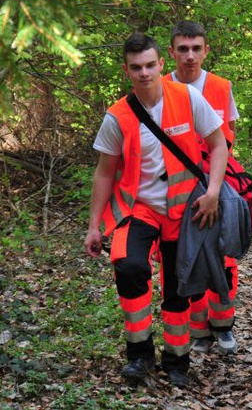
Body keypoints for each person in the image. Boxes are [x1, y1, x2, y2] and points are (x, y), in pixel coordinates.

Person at [84, 32, 228, 387]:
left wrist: (212, 192)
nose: (144, 73)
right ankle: (139, 353)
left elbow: (219, 143)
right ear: (127, 70)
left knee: (179, 287)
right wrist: (93, 227)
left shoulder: (187, 97)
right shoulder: (118, 116)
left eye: (150, 65)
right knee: (129, 265)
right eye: (136, 68)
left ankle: (177, 359)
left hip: (186, 211)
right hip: (139, 209)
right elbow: (104, 174)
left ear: (162, 64)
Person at [165, 20, 242, 356]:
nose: (190, 56)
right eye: (183, 49)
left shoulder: (221, 86)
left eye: (197, 48)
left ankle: (223, 325)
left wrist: (214, 186)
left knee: (223, 253)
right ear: (172, 52)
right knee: (186, 256)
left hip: (216, 180)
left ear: (206, 50)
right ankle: (198, 330)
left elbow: (228, 134)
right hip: (174, 187)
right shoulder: (160, 86)